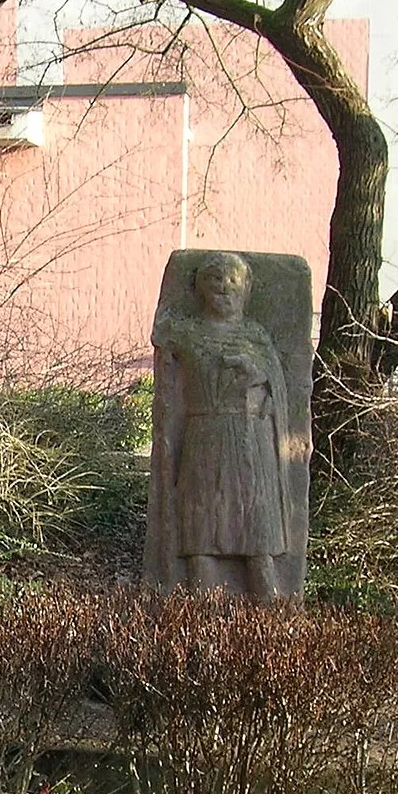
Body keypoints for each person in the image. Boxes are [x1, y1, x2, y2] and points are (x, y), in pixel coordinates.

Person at [154, 252, 290, 599]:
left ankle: (272, 622)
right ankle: (200, 618)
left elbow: (279, 386)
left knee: (256, 533)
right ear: (199, 288)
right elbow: (162, 336)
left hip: (249, 442)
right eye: (214, 279)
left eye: (232, 280)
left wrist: (258, 374)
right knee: (201, 530)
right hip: (204, 436)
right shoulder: (188, 332)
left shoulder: (256, 336)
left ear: (246, 288)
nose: (223, 287)